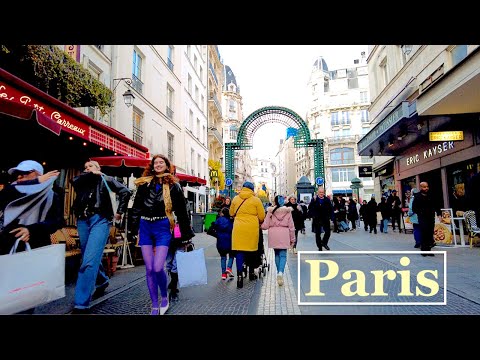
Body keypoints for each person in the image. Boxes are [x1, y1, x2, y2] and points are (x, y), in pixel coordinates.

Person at [130, 154, 195, 314]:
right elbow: (136, 207)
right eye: (155, 162)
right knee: (149, 268)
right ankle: (154, 304)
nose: (158, 164)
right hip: (145, 226)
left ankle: (164, 297)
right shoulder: (144, 184)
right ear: (152, 166)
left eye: (161, 162)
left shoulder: (175, 186)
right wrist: (133, 229)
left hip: (163, 227)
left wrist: (186, 234)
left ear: (167, 166)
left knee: (158, 267)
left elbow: (181, 211)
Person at [71, 160, 132, 314]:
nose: (87, 168)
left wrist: (120, 211)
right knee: (87, 257)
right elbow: (75, 182)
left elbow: (125, 191)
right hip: (82, 221)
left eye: (91, 166)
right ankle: (102, 280)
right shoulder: (81, 181)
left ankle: (81, 302)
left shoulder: (105, 179)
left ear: (99, 169)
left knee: (89, 261)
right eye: (85, 167)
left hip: (100, 220)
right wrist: (89, 174)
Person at [0, 160, 63, 256]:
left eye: (25, 173)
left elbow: (56, 222)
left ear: (39, 174)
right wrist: (36, 181)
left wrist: (31, 230)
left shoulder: (52, 195)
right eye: (18, 173)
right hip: (8, 245)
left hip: (37, 244)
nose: (19, 176)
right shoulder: (12, 191)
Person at [229, 181, 265, 289]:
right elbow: (262, 216)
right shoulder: (256, 200)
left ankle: (239, 276)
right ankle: (251, 273)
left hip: (238, 228)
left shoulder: (235, 199)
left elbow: (231, 213)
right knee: (251, 252)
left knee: (239, 252)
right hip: (251, 229)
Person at [261, 195, 295, 286]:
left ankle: (278, 272)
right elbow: (291, 227)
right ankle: (280, 273)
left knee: (276, 254)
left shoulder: (270, 211)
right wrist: (293, 239)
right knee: (283, 255)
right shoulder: (288, 212)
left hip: (273, 234)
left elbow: (265, 226)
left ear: (275, 202)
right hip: (284, 234)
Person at [412, 181, 442, 256]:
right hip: (422, 217)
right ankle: (424, 250)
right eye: (424, 187)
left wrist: (439, 214)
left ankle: (429, 250)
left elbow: (436, 205)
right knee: (424, 232)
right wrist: (420, 212)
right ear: (421, 187)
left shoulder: (431, 195)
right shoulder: (417, 196)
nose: (426, 188)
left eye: (427, 187)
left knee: (430, 233)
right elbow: (414, 208)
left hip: (431, 217)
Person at [210, 207, 235, 280]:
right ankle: (229, 267)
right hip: (229, 241)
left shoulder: (218, 220)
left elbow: (213, 227)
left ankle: (223, 274)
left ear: (223, 213)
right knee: (231, 255)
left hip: (220, 242)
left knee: (223, 257)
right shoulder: (231, 221)